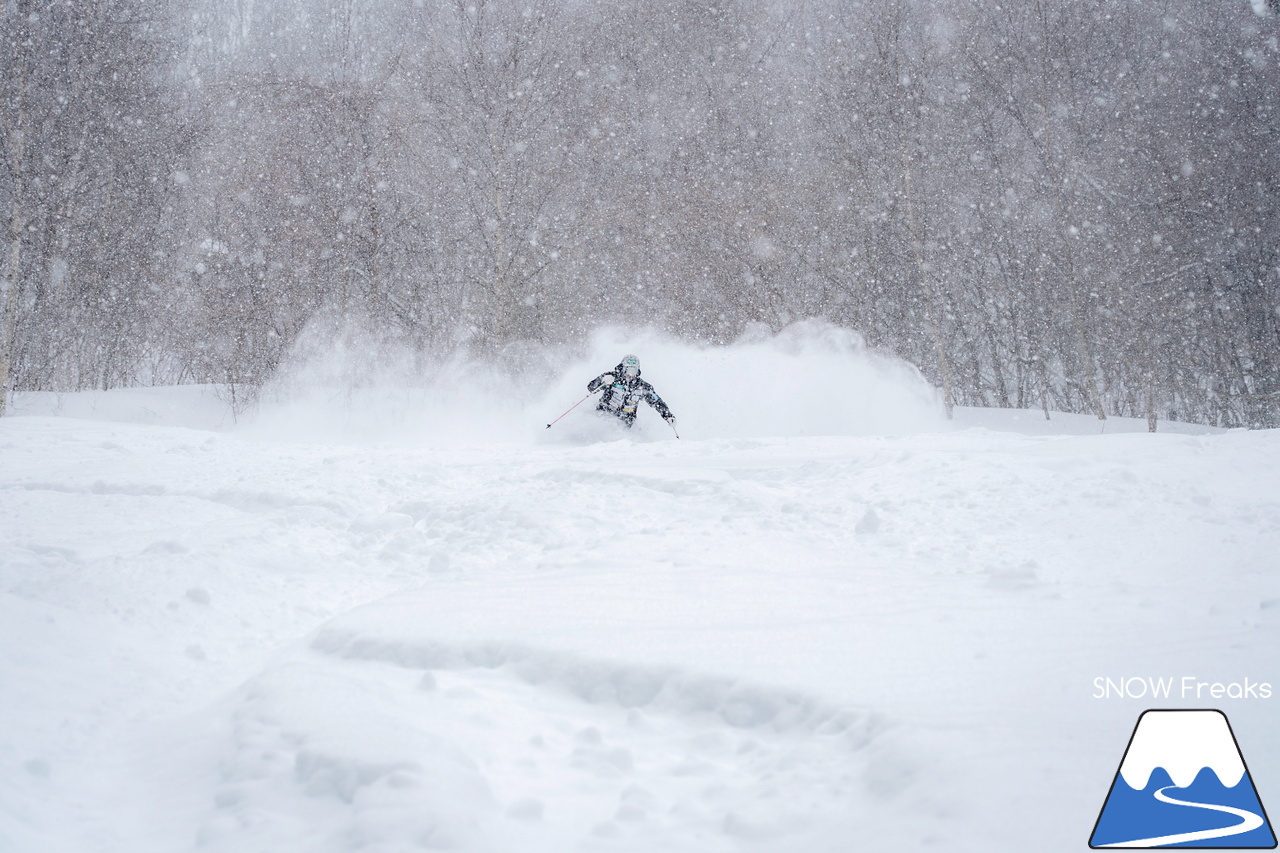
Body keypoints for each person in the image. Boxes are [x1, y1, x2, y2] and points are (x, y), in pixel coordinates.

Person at [587, 354, 676, 429]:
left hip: (626, 424)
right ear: (622, 368)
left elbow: (657, 402)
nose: (630, 374)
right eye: (627, 370)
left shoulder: (642, 386)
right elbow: (591, 388)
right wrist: (602, 381)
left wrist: (668, 416)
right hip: (603, 416)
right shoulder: (612, 377)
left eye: (633, 371)